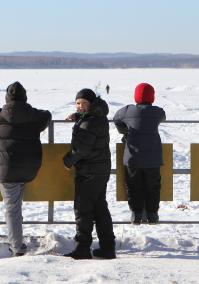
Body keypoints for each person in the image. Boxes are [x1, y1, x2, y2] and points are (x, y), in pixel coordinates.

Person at [0, 81, 52, 256]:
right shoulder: (34, 117)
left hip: (7, 171)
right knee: (15, 206)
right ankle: (18, 240)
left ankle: (17, 247)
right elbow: (47, 115)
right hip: (30, 169)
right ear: (25, 98)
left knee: (12, 209)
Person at [63, 88, 116, 260]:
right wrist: (78, 117)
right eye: (78, 103)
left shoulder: (91, 122)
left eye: (84, 103)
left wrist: (68, 161)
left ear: (91, 104)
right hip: (99, 169)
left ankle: (82, 248)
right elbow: (88, 124)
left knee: (83, 209)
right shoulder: (96, 117)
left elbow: (82, 148)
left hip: (89, 171)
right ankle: (108, 248)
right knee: (100, 209)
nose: (80, 106)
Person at [113, 83, 166, 225]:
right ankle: (152, 214)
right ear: (152, 97)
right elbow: (163, 117)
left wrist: (125, 131)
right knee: (153, 186)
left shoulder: (127, 111)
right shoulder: (157, 112)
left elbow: (116, 119)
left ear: (135, 97)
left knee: (133, 186)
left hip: (132, 159)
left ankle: (136, 214)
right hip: (153, 159)